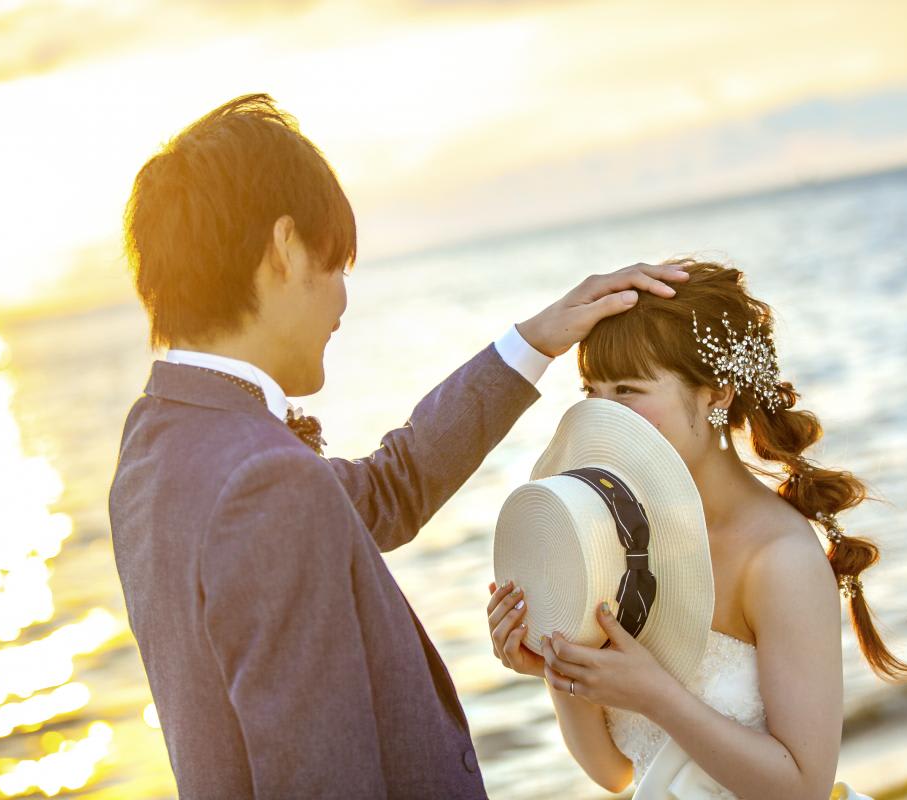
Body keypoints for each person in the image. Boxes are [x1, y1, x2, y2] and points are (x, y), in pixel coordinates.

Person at [107, 92, 691, 799]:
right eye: (337, 267)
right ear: (285, 249)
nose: (342, 303)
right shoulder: (264, 481)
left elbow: (387, 493)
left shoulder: (155, 446)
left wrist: (535, 341)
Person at [487, 259, 907, 798]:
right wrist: (557, 664)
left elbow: (803, 788)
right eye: (592, 392)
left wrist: (655, 695)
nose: (603, 415)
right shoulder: (621, 541)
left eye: (627, 389)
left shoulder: (779, 558)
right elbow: (613, 770)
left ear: (717, 392)